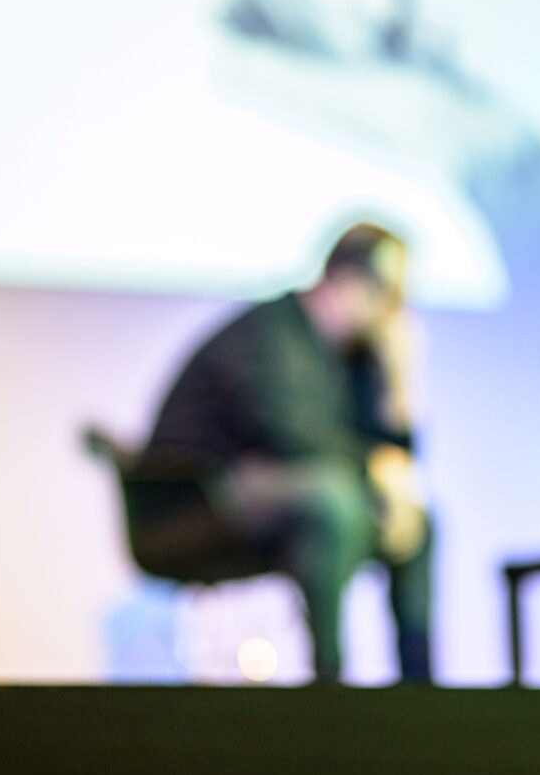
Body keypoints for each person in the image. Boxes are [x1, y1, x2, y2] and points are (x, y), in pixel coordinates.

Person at [137, 223, 431, 684]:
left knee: (417, 521)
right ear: (349, 281)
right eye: (391, 295)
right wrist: (375, 468)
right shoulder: (272, 330)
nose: (395, 313)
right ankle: (331, 684)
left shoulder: (353, 357)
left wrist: (399, 381)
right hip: (198, 496)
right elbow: (289, 434)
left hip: (279, 490)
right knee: (334, 503)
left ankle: (421, 689)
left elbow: (384, 447)